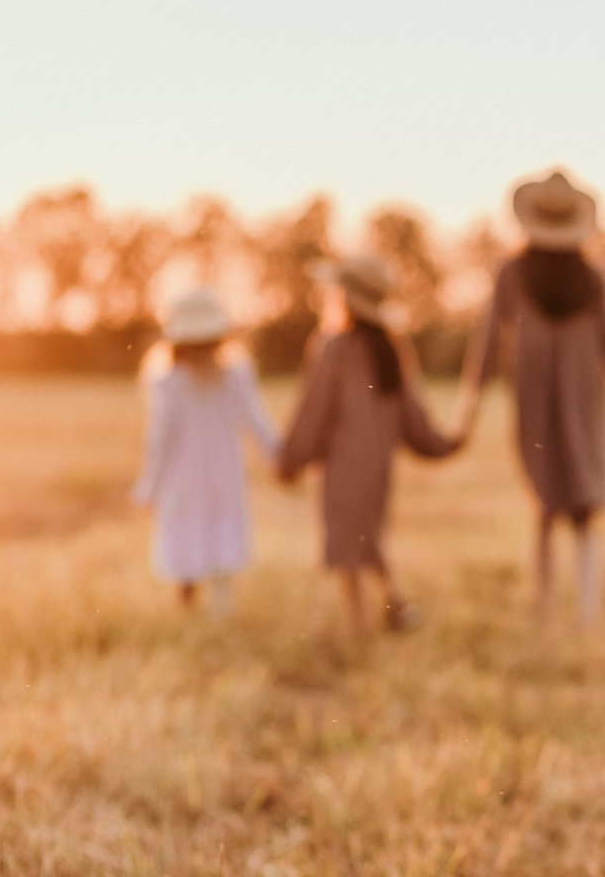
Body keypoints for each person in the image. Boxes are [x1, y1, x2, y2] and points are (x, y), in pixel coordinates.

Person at [454, 168, 605, 625]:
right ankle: (585, 612)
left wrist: (470, 405)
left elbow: (486, 341)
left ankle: (550, 609)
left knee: (545, 504)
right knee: (581, 508)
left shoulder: (520, 272)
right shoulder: (586, 276)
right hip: (580, 400)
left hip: (537, 397)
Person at [277, 253, 461, 639]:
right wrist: (444, 444)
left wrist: (291, 458)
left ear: (342, 298)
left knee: (349, 548)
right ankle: (396, 605)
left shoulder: (334, 348)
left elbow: (314, 409)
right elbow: (415, 419)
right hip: (378, 469)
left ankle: (360, 627)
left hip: (343, 468)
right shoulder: (393, 349)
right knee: (369, 539)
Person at [132, 287, 282, 617]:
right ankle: (218, 608)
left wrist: (150, 488)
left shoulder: (169, 383)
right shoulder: (233, 377)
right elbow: (259, 425)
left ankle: (191, 606)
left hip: (183, 478)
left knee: (186, 536)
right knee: (219, 533)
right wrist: (279, 457)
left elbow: (159, 442)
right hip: (223, 473)